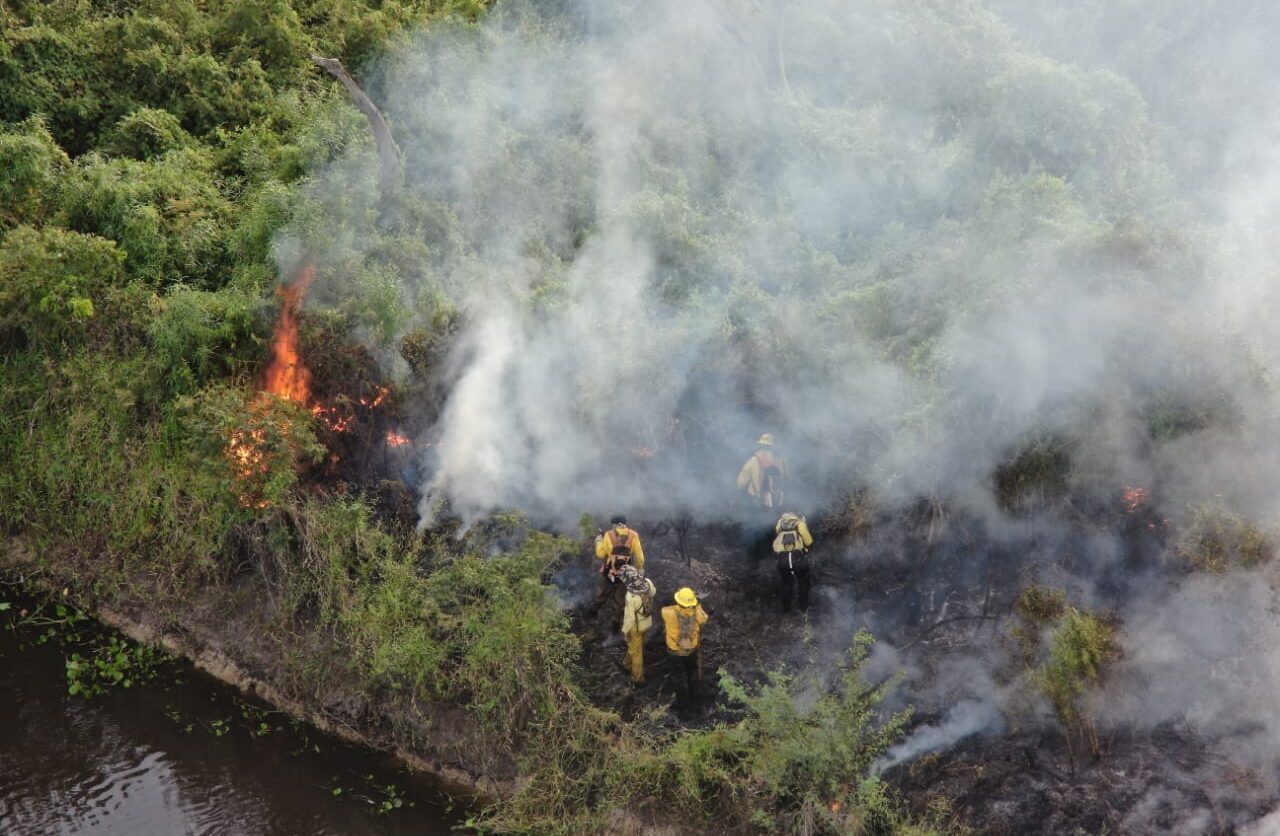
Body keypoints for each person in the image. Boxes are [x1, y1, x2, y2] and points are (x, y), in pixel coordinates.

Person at [736, 433, 788, 560]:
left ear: (760, 445)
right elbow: (787, 479)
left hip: (756, 502)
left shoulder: (753, 461)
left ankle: (753, 560)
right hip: (775, 502)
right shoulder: (780, 460)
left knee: (753, 528)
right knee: (772, 527)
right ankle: (771, 557)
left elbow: (740, 483)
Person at [594, 515, 646, 627]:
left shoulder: (608, 535)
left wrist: (599, 542)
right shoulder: (633, 535)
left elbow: (601, 554)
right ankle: (615, 625)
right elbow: (640, 557)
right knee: (621, 600)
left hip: (609, 572)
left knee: (602, 592)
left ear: (616, 524)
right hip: (625, 573)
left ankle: (593, 612)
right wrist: (640, 569)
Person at [662, 587, 709, 702]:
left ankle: (682, 700)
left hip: (674, 651)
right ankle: (694, 694)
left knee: (678, 675)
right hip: (691, 649)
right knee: (691, 671)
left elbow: (664, 609)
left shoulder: (668, 613)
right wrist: (697, 605)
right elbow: (705, 618)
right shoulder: (697, 613)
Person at [617, 565, 657, 687]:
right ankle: (627, 664)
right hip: (647, 622)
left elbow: (629, 618)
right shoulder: (648, 583)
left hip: (636, 627)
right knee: (635, 646)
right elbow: (654, 593)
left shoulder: (631, 596)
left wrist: (624, 631)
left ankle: (638, 679)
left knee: (637, 653)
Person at [773, 511, 815, 613]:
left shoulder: (780, 523)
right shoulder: (800, 523)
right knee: (804, 580)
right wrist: (808, 550)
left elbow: (778, 536)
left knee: (787, 583)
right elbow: (808, 541)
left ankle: (786, 610)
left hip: (782, 558)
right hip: (797, 557)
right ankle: (803, 609)